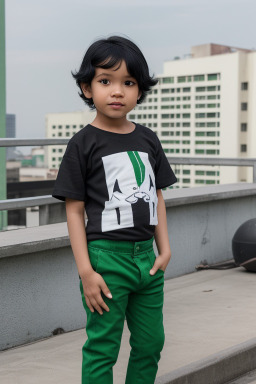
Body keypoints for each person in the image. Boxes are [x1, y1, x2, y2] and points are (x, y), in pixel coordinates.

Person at [52, 35, 177, 384]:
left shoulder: (148, 138)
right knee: (103, 347)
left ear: (140, 91)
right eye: (105, 81)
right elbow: (74, 211)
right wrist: (86, 271)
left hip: (146, 260)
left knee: (152, 342)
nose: (117, 91)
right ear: (87, 88)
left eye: (128, 83)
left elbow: (157, 195)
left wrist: (164, 249)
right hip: (106, 260)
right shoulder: (82, 144)